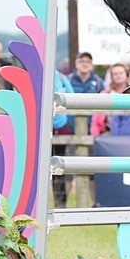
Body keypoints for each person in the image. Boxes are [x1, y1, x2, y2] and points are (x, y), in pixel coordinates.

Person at [91, 64, 130, 137]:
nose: (118, 75)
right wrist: (95, 137)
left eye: (121, 73)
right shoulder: (104, 94)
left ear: (126, 75)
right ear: (111, 76)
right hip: (107, 133)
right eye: (115, 74)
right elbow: (96, 119)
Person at [51, 68, 74, 207]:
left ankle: (60, 202)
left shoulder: (60, 77)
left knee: (58, 165)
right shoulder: (34, 74)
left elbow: (71, 96)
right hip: (40, 125)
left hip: (60, 125)